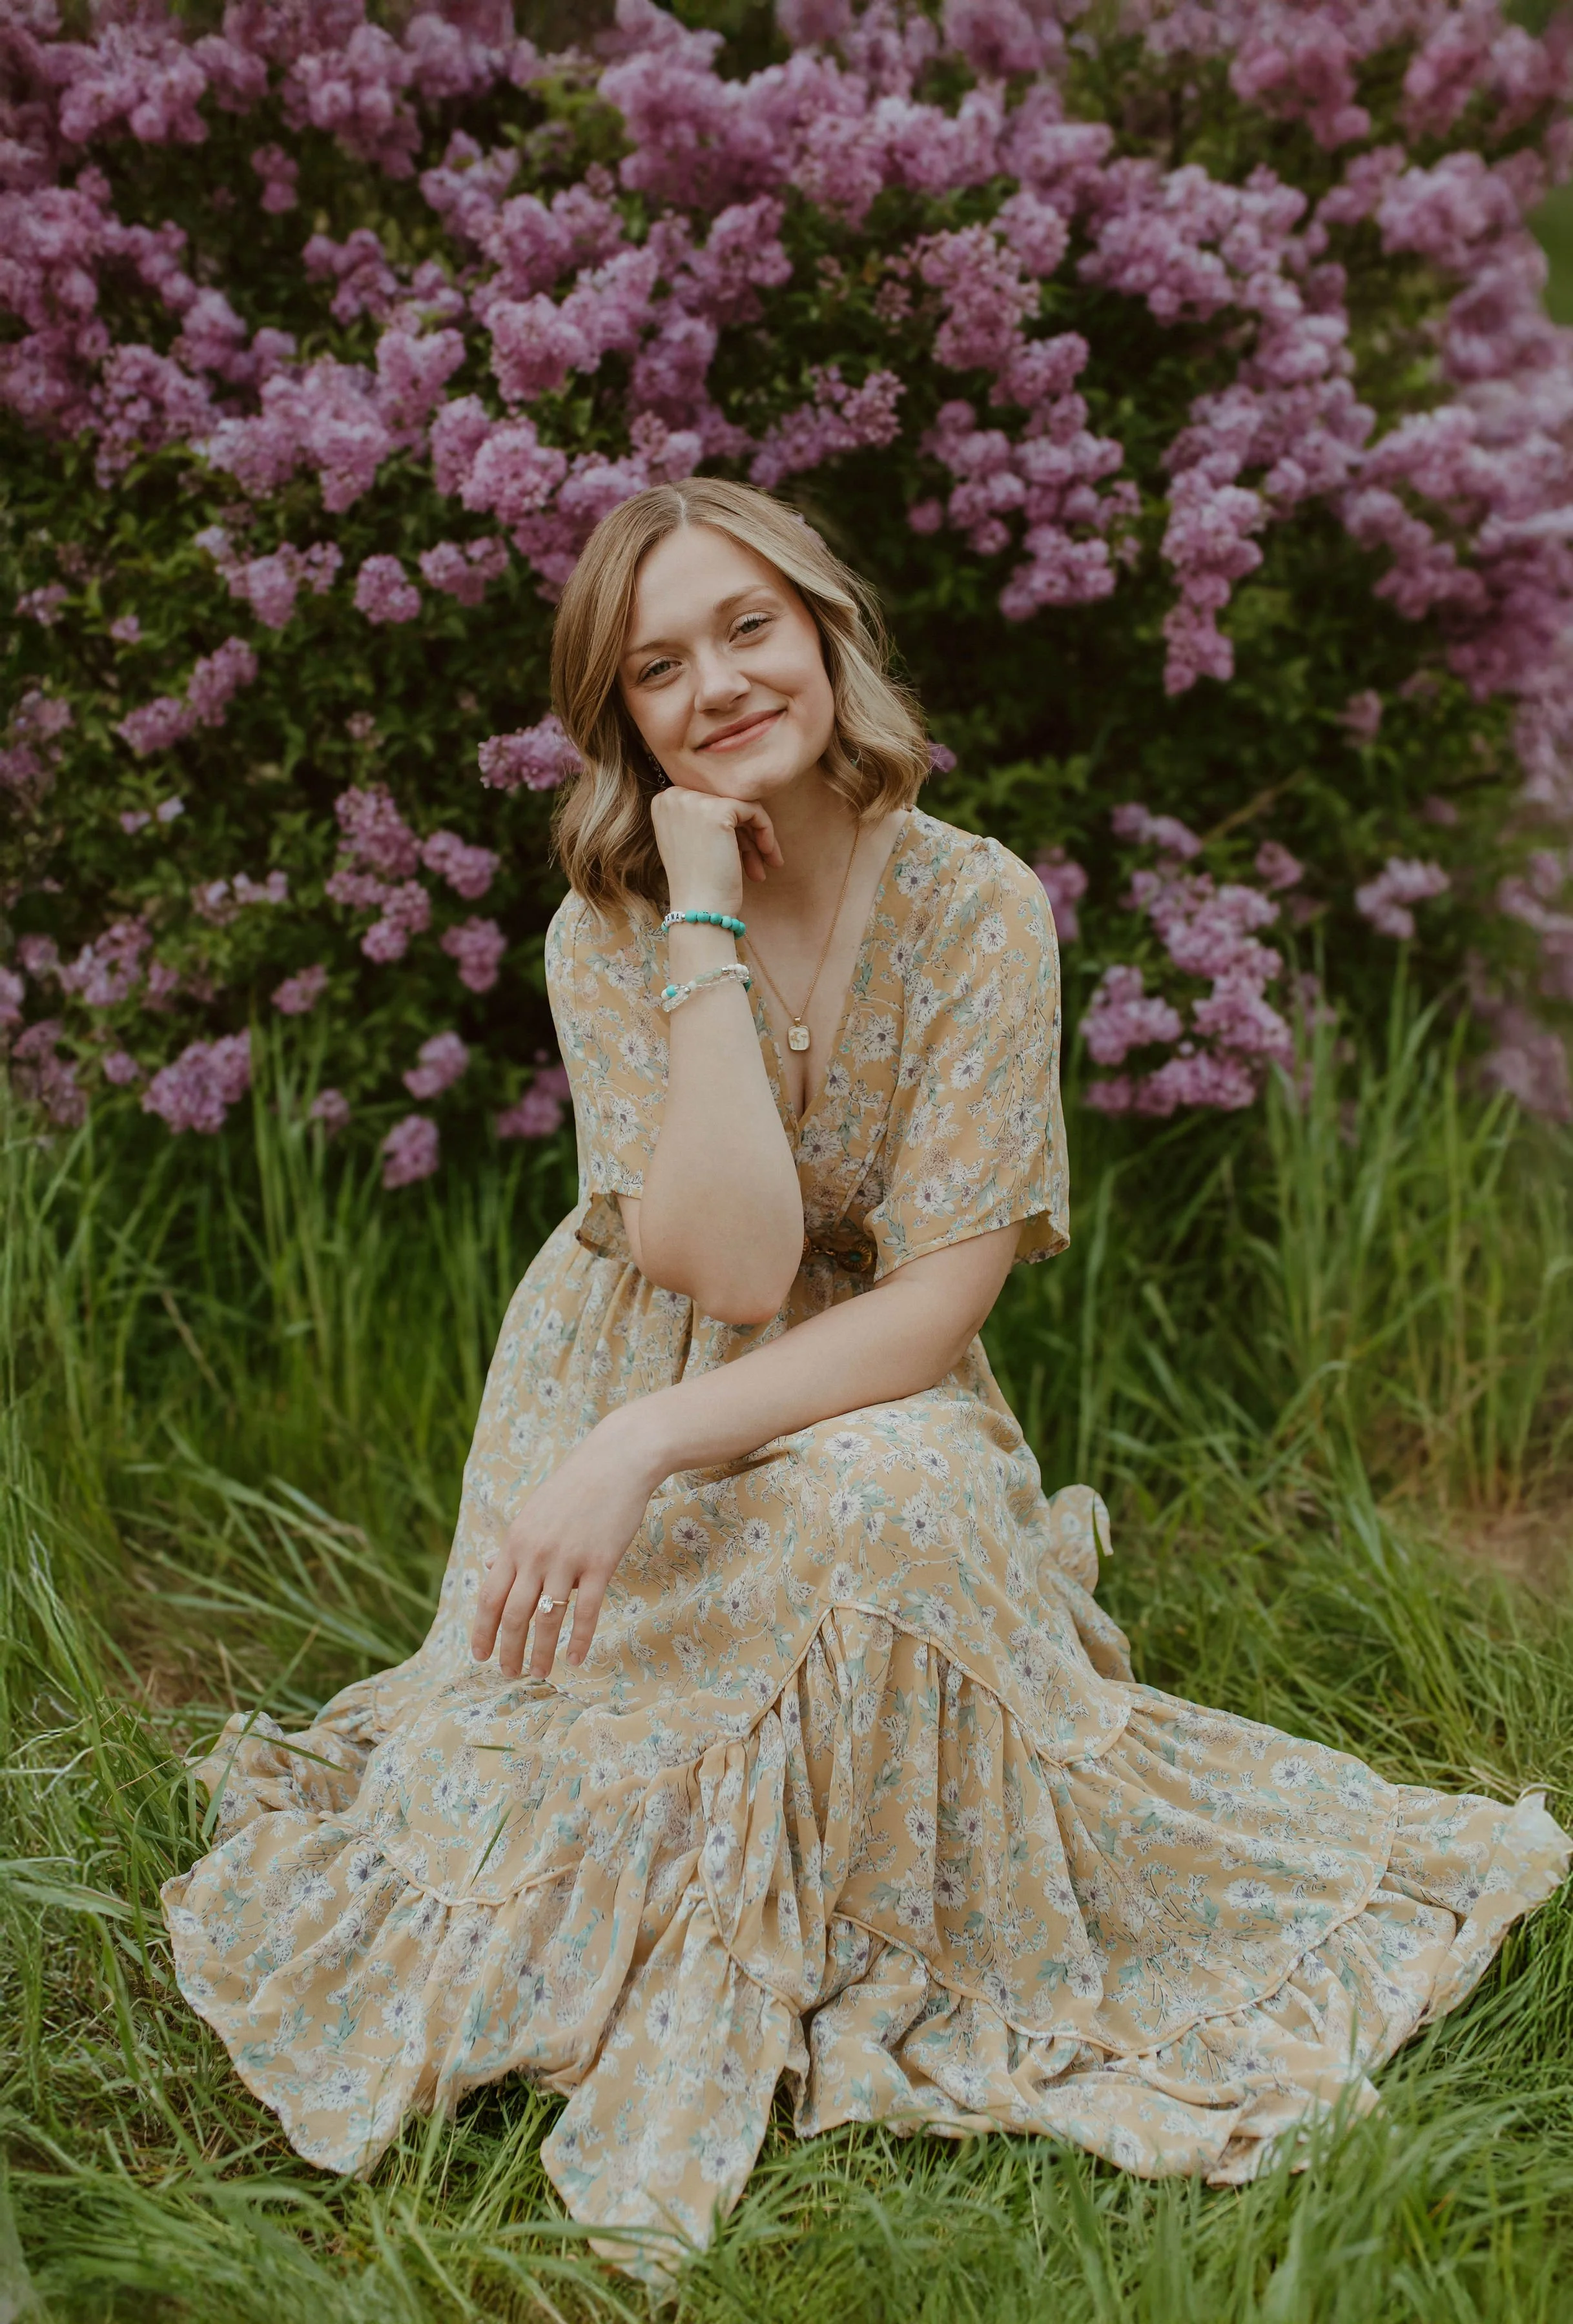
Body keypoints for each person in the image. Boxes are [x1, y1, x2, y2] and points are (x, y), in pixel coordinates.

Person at [163, 480, 1569, 2276]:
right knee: (527, 1807)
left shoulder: (978, 906)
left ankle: (884, 1885)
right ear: (624, 719)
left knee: (897, 1491)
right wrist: (698, 923)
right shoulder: (607, 931)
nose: (718, 684)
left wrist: (640, 1447)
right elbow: (735, 1265)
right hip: (633, 1358)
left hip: (850, 1393)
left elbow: (927, 1311)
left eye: (747, 627)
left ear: (824, 630)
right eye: (658, 667)